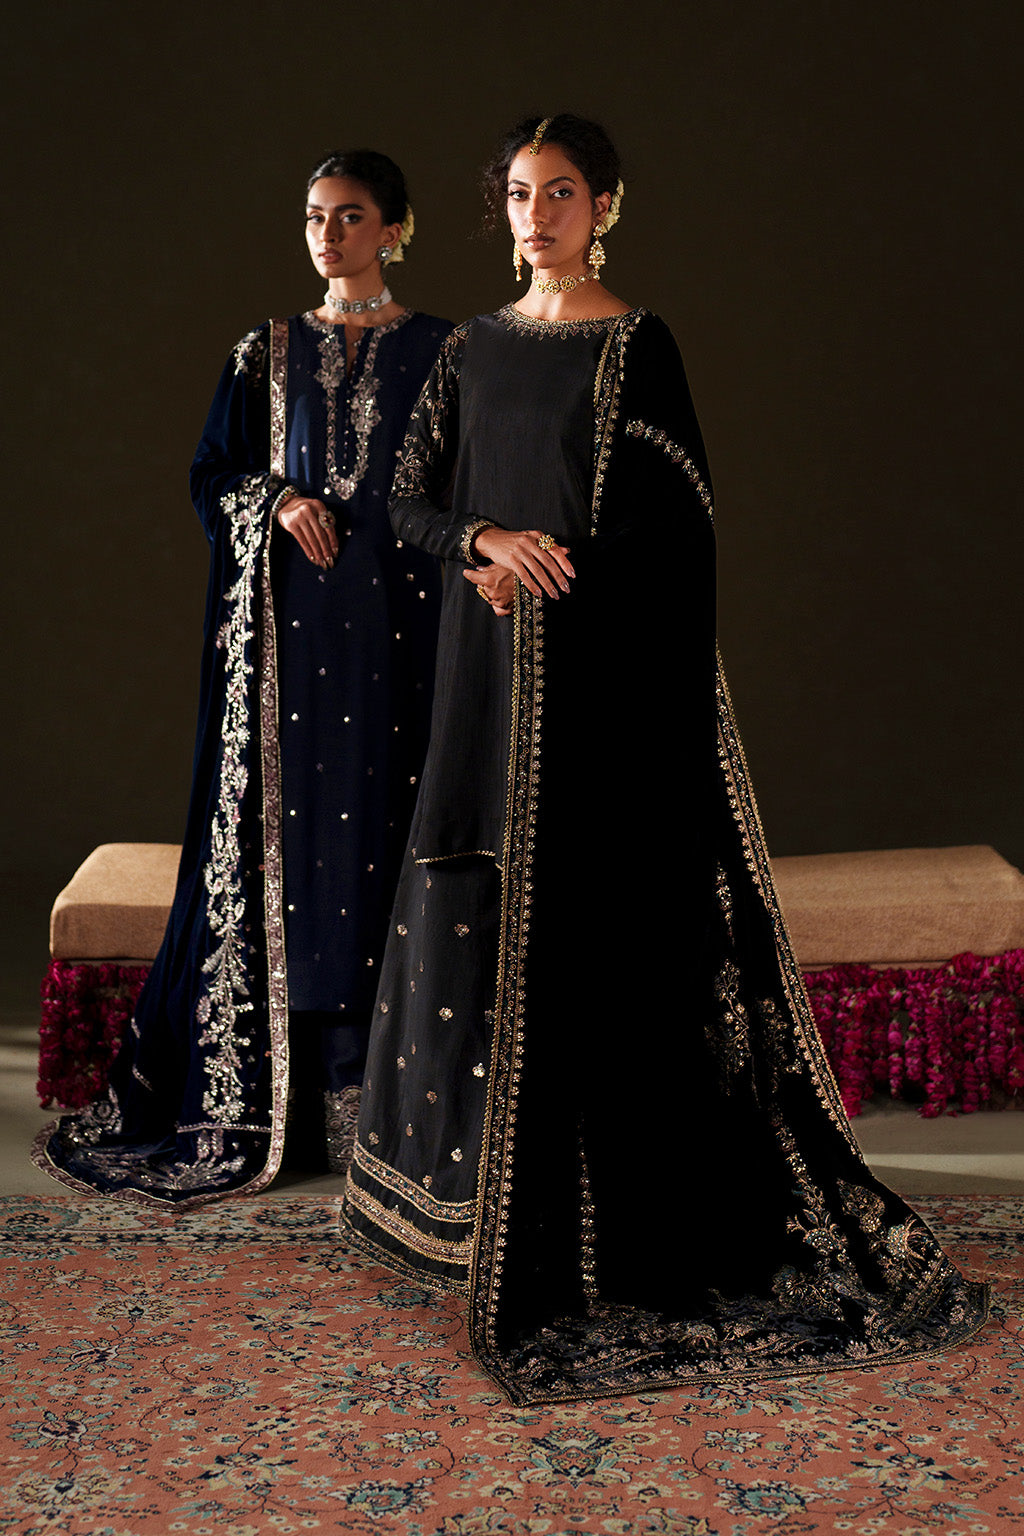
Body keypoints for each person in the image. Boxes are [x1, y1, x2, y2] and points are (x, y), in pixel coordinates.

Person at [342, 115, 988, 1404]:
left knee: (598, 942)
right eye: (518, 194)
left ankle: (600, 1222)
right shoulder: (469, 348)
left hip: (599, 701)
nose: (536, 215)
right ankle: (457, 1211)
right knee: (472, 911)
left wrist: (554, 569)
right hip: (485, 690)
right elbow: (400, 499)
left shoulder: (636, 346)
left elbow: (679, 530)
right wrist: (479, 542)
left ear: (606, 206)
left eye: (560, 193)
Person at [37, 150, 453, 1204]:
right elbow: (209, 473)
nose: (328, 236)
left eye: (350, 217)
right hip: (283, 649)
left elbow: (463, 484)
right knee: (293, 846)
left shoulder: (444, 352)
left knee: (387, 837)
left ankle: (389, 1106)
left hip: (404, 641)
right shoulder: (262, 351)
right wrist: (276, 500)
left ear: (395, 228)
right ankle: (286, 1102)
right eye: (314, 217)